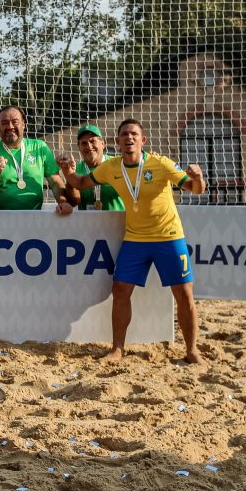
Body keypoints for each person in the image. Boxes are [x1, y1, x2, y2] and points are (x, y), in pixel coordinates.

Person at [58, 119, 206, 363]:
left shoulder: (160, 163)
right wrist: (67, 171)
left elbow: (195, 189)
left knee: (184, 294)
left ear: (142, 140)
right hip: (135, 239)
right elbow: (82, 183)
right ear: (116, 142)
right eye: (124, 134)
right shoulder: (111, 167)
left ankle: (191, 351)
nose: (129, 138)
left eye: (134, 134)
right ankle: (117, 349)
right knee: (120, 291)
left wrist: (198, 177)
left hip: (169, 236)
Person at [0, 106, 73, 215]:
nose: (10, 126)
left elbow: (55, 182)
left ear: (24, 124)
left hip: (33, 220)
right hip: (0, 222)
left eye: (15, 122)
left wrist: (63, 202)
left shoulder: (40, 148)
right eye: (4, 123)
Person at [70, 125, 123, 211]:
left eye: (92, 141)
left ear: (103, 144)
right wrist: (70, 177)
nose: (89, 146)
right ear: (79, 147)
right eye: (84, 143)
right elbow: (73, 202)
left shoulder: (118, 165)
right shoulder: (76, 169)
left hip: (116, 222)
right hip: (88, 223)